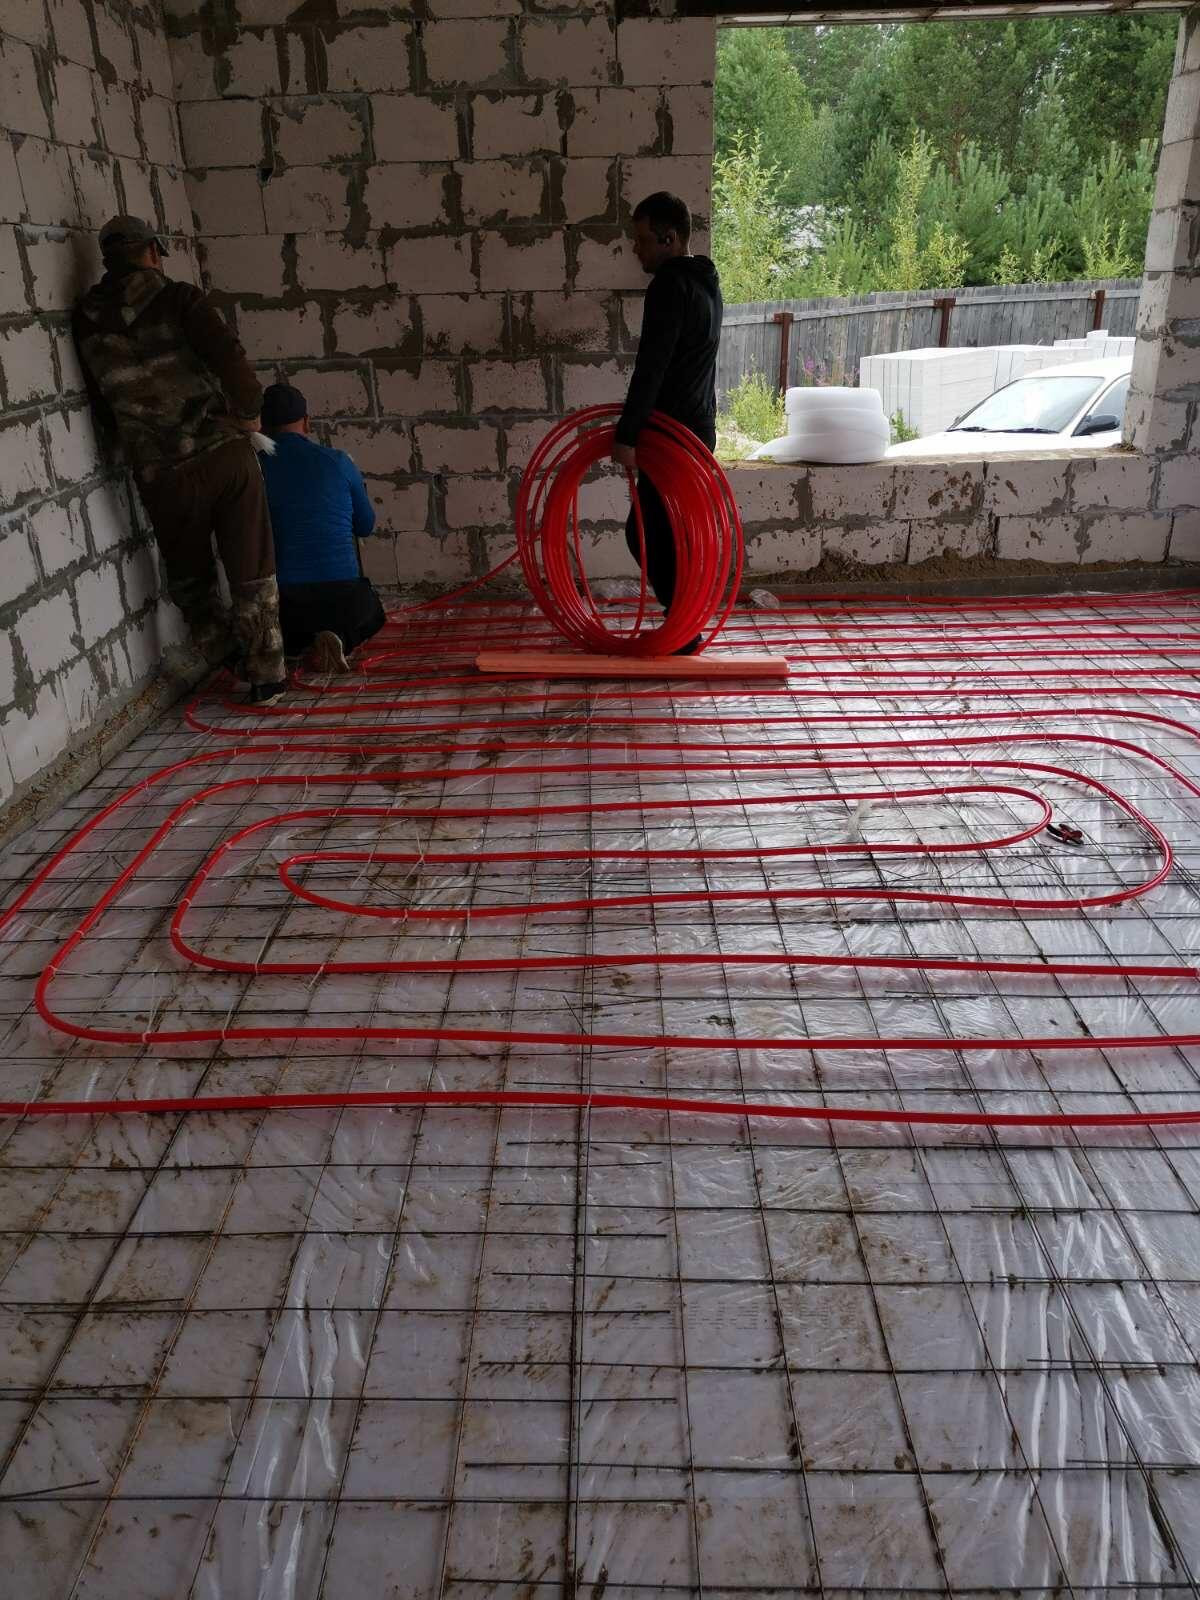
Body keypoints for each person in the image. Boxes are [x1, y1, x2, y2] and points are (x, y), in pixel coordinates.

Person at [73, 215, 287, 704]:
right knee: (251, 565)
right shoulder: (179, 298)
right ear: (153, 252)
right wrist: (250, 414)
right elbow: (230, 357)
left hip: (162, 473)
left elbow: (103, 405)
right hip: (222, 454)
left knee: (190, 576)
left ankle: (226, 659)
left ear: (108, 261)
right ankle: (267, 675)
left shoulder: (85, 320)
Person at [611, 191, 723, 644]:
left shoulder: (669, 286)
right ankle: (685, 623)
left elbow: (651, 367)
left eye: (642, 240)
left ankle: (682, 628)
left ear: (669, 238)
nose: (635, 249)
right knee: (673, 532)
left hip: (672, 433)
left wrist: (627, 435)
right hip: (698, 429)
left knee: (644, 534)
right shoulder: (705, 281)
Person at [257, 383, 386, 673]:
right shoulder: (339, 462)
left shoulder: (254, 469)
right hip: (343, 600)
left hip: (285, 602)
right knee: (373, 612)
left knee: (277, 627)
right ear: (307, 422)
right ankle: (340, 639)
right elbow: (365, 526)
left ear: (262, 427)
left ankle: (299, 646)